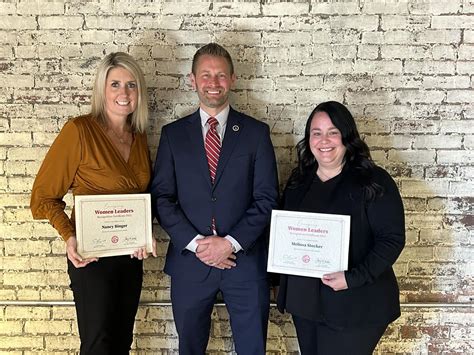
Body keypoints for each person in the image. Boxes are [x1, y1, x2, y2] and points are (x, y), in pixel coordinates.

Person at [150, 43, 279, 354]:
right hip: (190, 264)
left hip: (245, 262)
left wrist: (229, 243)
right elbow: (162, 199)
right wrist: (198, 245)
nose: (213, 83)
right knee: (190, 348)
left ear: (233, 79)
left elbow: (267, 198)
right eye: (205, 75)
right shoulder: (172, 135)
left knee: (252, 349)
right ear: (192, 80)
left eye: (221, 75)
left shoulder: (255, 133)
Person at [30, 52, 156, 355]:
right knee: (98, 345)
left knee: (121, 343)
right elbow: (42, 197)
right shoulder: (79, 131)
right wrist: (69, 236)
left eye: (131, 85)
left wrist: (145, 232)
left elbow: (141, 197)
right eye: (115, 84)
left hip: (130, 256)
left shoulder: (138, 138)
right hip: (91, 258)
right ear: (102, 89)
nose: (123, 93)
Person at [276, 101, 405, 355]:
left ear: (347, 136)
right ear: (309, 139)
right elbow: (284, 234)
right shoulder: (299, 181)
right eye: (317, 133)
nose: (324, 140)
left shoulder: (373, 181)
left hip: (357, 304)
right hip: (306, 305)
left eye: (333, 132)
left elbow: (391, 239)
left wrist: (351, 278)